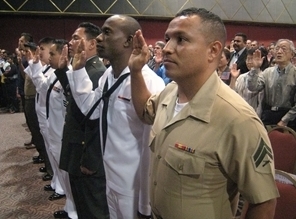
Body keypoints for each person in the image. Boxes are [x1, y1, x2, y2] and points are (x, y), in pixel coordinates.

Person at [128, 7, 279, 219]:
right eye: (167, 38)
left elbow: (263, 202)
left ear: (213, 51)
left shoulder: (238, 119)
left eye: (181, 39)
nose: (168, 48)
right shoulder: (170, 92)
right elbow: (145, 111)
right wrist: (135, 71)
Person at [62, 15, 165, 218]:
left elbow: (149, 147)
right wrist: (79, 70)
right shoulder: (108, 75)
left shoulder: (149, 82)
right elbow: (91, 109)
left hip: (133, 187)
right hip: (109, 178)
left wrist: (145, 203)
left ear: (129, 40)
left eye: (107, 32)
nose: (99, 38)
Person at [54, 22, 109, 219]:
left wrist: (89, 159)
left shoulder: (97, 72)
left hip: (85, 153)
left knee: (92, 209)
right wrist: (62, 72)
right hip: (77, 146)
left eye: (77, 37)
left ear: (92, 43)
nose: (71, 41)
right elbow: (75, 99)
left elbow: (92, 119)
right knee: (82, 205)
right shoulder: (83, 67)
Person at [247, 39, 296, 130]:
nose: (279, 51)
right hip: (268, 115)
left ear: (292, 54)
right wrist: (255, 68)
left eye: (284, 49)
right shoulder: (267, 72)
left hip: (288, 117)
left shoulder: (294, 73)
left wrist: (284, 120)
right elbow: (253, 87)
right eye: (277, 49)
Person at [229, 48, 268, 117]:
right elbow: (232, 94)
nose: (249, 62)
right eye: (248, 59)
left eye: (252, 59)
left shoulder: (264, 76)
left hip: (254, 115)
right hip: (239, 113)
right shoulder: (241, 77)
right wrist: (233, 78)